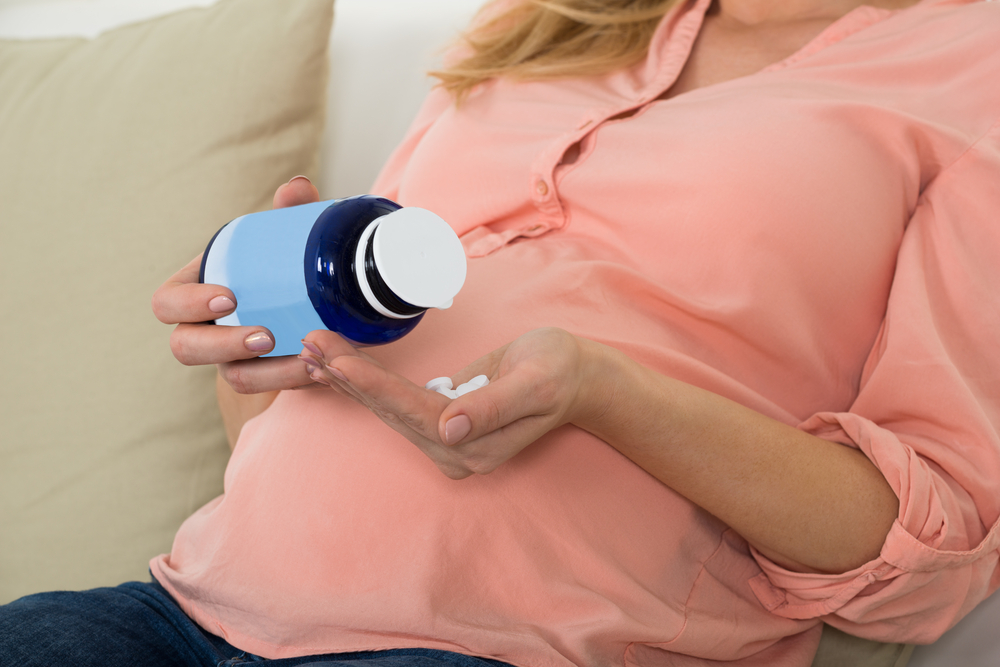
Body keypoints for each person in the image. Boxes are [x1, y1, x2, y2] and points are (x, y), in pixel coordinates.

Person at [3, 0, 999, 665]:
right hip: (184, 606)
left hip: (505, 647)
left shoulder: (971, 70)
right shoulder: (542, 21)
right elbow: (311, 382)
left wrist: (607, 391)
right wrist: (258, 324)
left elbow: (925, 560)